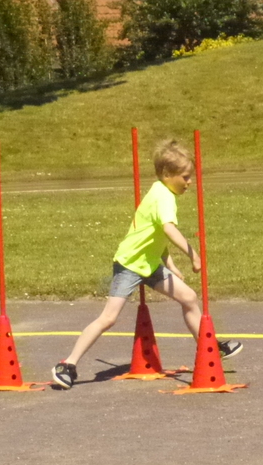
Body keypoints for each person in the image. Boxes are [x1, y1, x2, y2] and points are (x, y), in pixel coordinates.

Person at [51, 139, 242, 389]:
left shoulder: (162, 192)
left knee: (189, 298)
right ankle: (67, 364)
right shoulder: (163, 197)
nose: (189, 182)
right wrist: (193, 255)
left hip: (151, 265)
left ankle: (210, 347)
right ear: (167, 174)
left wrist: (169, 264)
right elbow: (168, 229)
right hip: (129, 265)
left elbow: (155, 236)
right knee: (109, 318)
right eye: (185, 177)